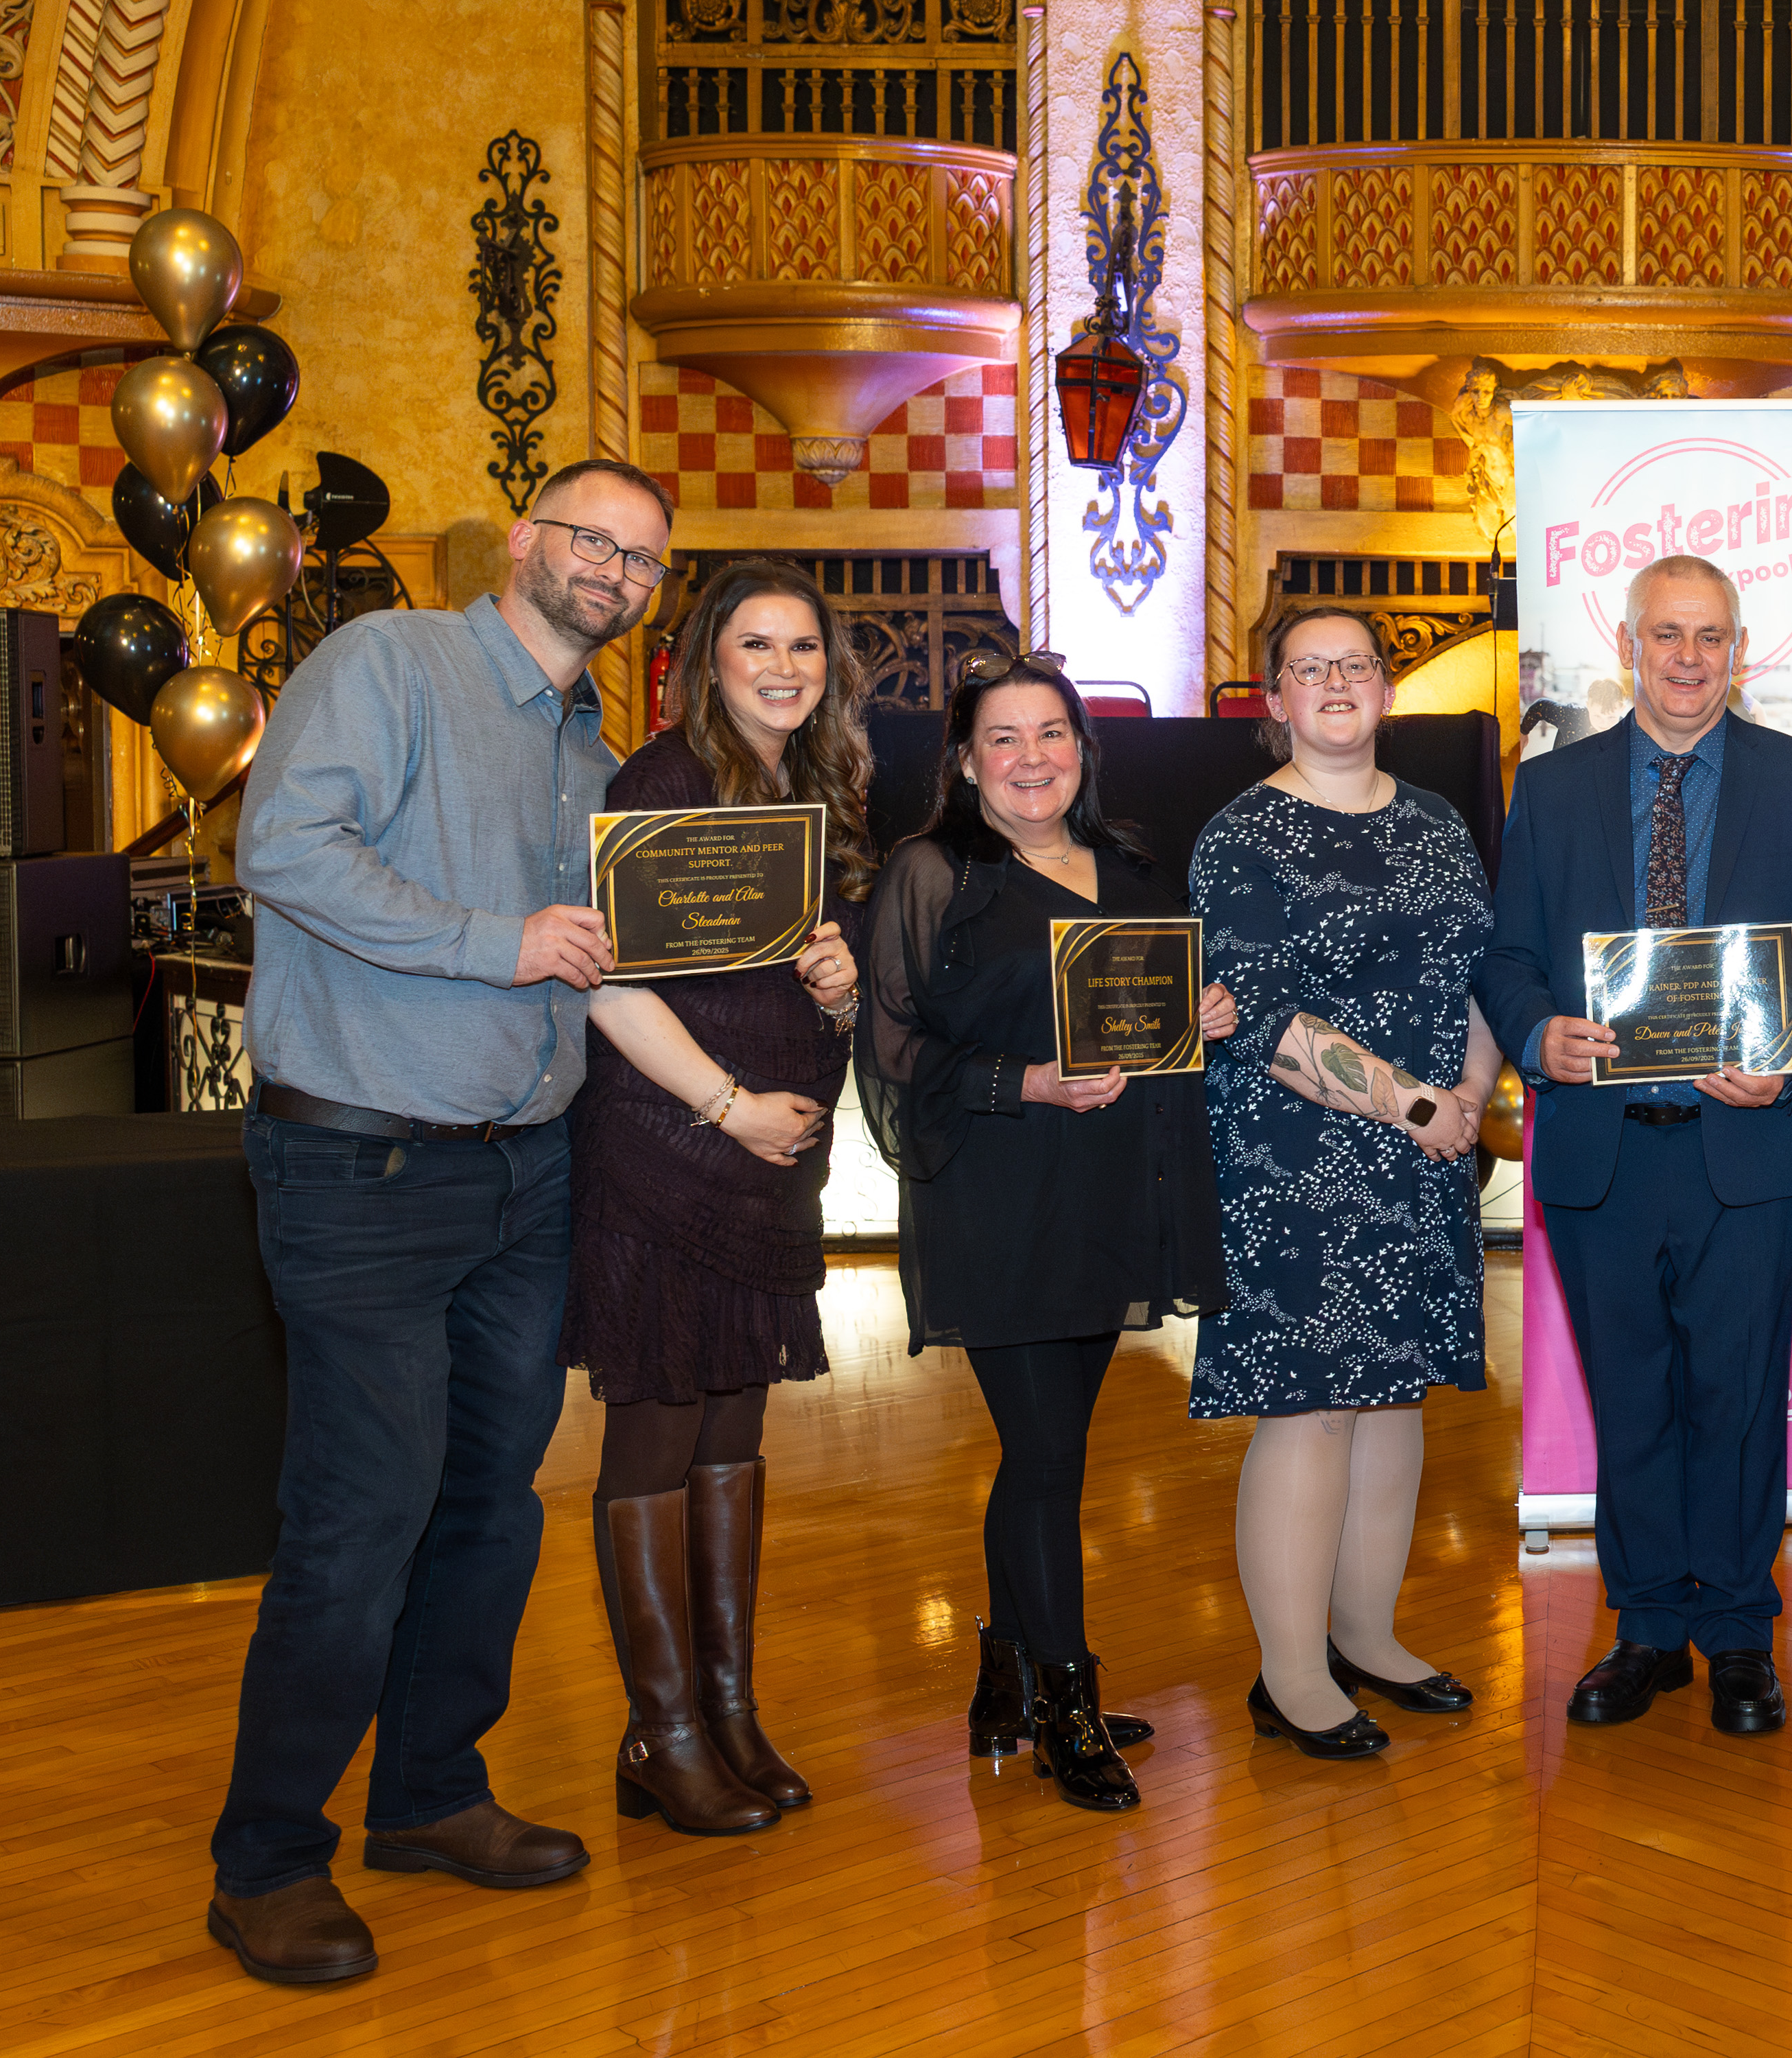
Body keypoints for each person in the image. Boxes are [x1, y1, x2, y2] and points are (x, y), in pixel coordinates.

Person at [207, 457, 674, 1985]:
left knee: (489, 1503)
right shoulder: (388, 661)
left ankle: (428, 1793)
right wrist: (500, 941)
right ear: (528, 539)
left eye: (645, 562)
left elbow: (604, 956)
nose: (615, 572)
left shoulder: (595, 735)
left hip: (525, 1172)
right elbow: (278, 850)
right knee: (363, 1514)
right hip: (363, 1165)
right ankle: (267, 1857)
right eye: (594, 539)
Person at [855, 656, 1239, 1814]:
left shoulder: (1128, 865)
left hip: (1110, 1191)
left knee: (1047, 1450)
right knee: (1047, 1456)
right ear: (965, 760)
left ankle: (1007, 1680)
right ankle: (1066, 1699)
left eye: (1052, 734)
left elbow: (1154, 1017)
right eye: (1003, 738)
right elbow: (893, 1046)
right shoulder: (934, 872)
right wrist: (1021, 1082)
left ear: (1083, 747)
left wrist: (1202, 1014)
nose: (1032, 756)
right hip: (998, 1194)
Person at [1479, 552, 1792, 1735]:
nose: (1688, 658)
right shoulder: (1553, 785)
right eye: (1666, 635)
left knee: (1733, 1399)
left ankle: (1739, 1631)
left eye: (1710, 637)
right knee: (1628, 1395)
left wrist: (1791, 1052)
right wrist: (1540, 1033)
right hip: (1600, 1147)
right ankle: (1644, 1628)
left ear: (1739, 652)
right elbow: (1507, 954)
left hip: (1742, 1148)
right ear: (1626, 645)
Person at [561, 559, 873, 1835]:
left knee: (732, 1442)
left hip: (772, 1169)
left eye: (804, 644)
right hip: (666, 1152)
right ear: (705, 659)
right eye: (758, 644)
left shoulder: (821, 788)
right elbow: (608, 984)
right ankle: (662, 1731)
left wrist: (840, 984)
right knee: (655, 1434)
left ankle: (731, 1713)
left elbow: (819, 985)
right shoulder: (658, 784)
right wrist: (727, 1106)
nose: (784, 666)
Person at [1192, 607, 1501, 1762]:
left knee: (1393, 1397)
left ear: (1384, 688)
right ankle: (1290, 1671)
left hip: (1425, 1151)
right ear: (1272, 700)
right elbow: (1262, 1017)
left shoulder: (1434, 822)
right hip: (1298, 1161)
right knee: (1310, 1404)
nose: (1335, 680)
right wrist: (1415, 1104)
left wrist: (1466, 1096)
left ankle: (1367, 1632)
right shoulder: (1240, 838)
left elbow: (1480, 971)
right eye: (1307, 667)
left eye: (1355, 664)